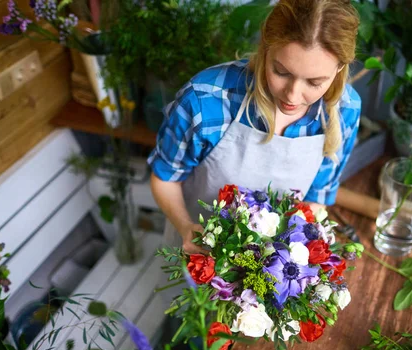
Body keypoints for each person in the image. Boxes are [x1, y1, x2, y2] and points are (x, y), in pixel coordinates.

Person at [148, 0, 362, 253]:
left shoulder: (345, 110)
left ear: (339, 68)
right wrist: (186, 227)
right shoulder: (206, 99)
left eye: (315, 82)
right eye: (281, 72)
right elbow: (165, 177)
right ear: (265, 47)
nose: (292, 96)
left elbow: (315, 199)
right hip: (195, 251)